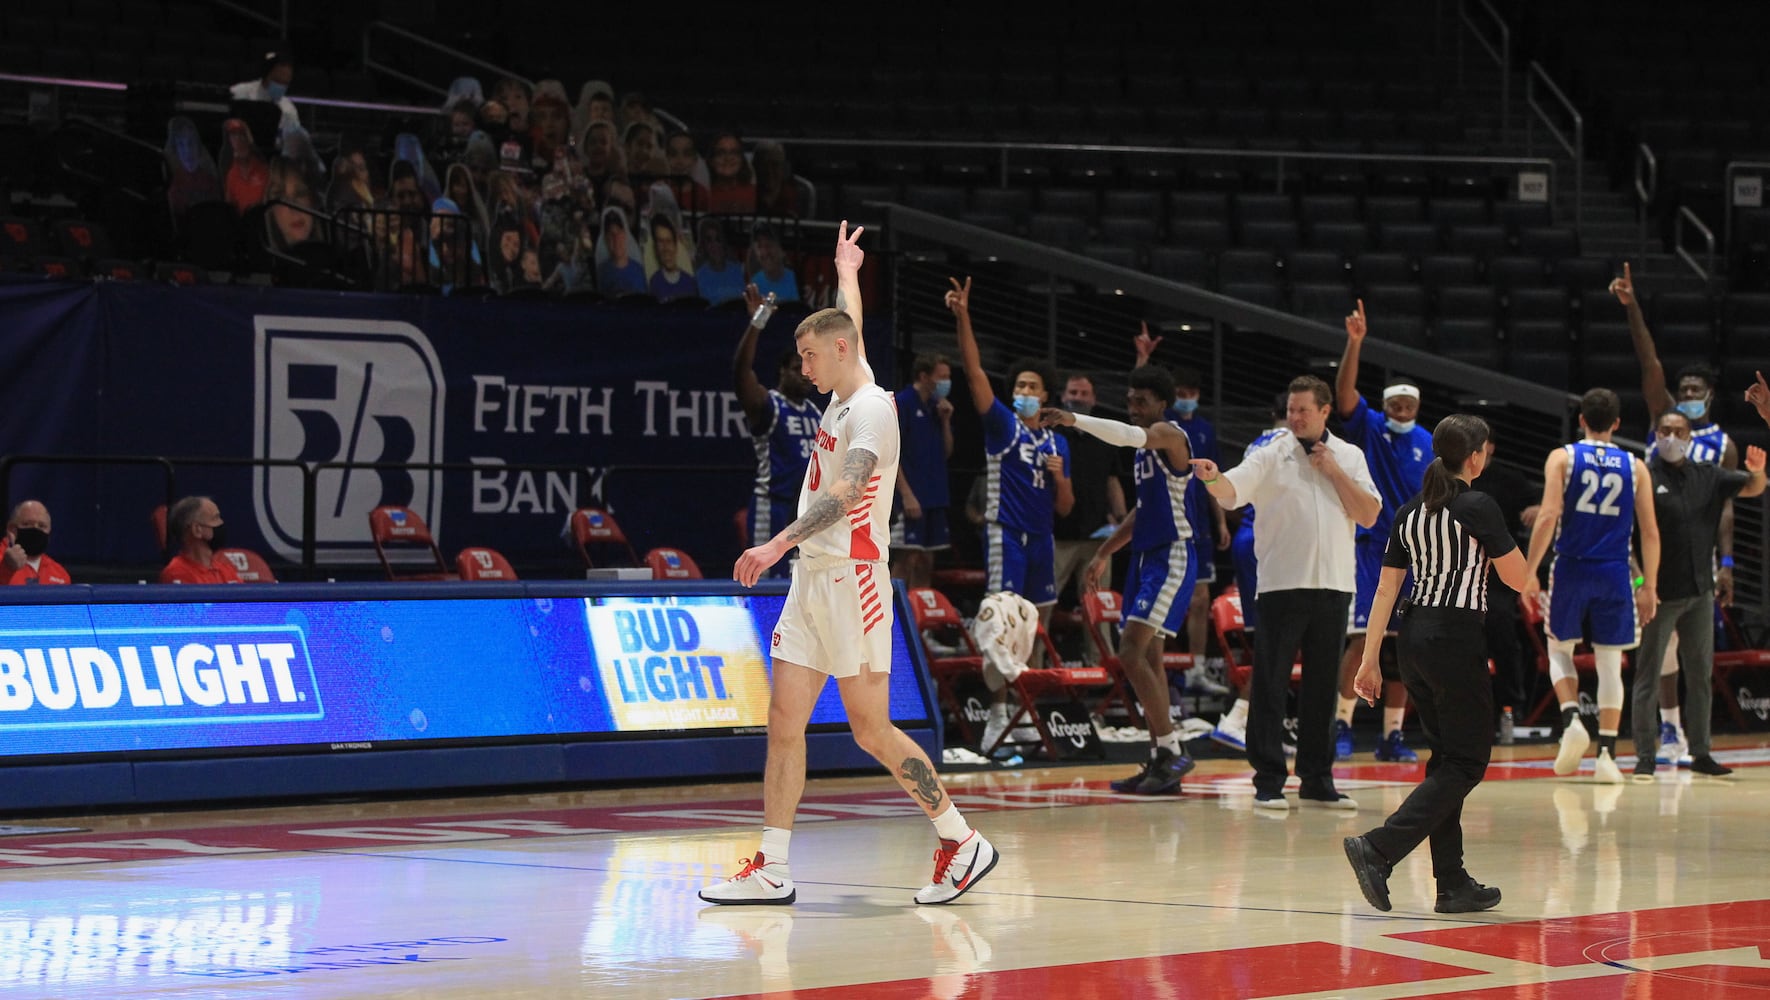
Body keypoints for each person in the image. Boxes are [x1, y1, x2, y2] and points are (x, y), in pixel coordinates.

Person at [702, 223, 998, 907]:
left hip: (853, 582)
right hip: (811, 582)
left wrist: (775, 543)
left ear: (837, 353)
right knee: (783, 720)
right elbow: (850, 327)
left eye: (809, 354)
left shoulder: (871, 413)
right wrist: (848, 271)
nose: (802, 366)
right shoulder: (842, 386)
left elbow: (846, 492)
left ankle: (961, 839)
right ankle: (772, 866)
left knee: (870, 729)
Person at [1342, 414, 1532, 914]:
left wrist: (1370, 660)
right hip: (1454, 636)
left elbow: (1385, 589)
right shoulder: (1477, 506)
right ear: (1475, 457)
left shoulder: (1410, 511)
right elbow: (1518, 581)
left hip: (1413, 640)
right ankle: (1380, 848)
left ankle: (1451, 882)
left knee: (1446, 761)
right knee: (1468, 762)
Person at [1193, 375, 1381, 811]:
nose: (1294, 418)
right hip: (1280, 584)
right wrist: (1212, 477)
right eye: (1291, 410)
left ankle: (1317, 779)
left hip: (1335, 585)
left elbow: (1369, 514)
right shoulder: (1271, 452)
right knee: (1271, 683)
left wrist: (1333, 471)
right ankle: (1269, 779)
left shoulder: (1349, 456)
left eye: (1303, 410)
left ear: (1324, 411)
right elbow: (1233, 491)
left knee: (1322, 687)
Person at [1040, 364, 1198, 794]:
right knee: (1150, 660)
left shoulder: (1168, 435)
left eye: (1141, 400)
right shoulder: (1148, 452)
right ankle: (1160, 762)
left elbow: (1128, 435)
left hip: (1173, 554)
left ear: (1162, 404)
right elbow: (1142, 511)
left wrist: (1075, 419)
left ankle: (1171, 748)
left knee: (1129, 650)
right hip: (1148, 557)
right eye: (1129, 399)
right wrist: (1106, 550)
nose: (1133, 407)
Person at [1611, 263, 1739, 766]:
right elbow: (1650, 364)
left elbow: (1728, 509)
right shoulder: (1661, 421)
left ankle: (1694, 742)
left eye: (1693, 390)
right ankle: (1663, 733)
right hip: (1651, 559)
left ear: (1707, 396)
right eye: (1681, 390)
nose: (1685, 396)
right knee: (1654, 658)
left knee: (1696, 661)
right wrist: (1632, 307)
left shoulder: (1722, 444)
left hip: (1700, 559)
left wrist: (1726, 564)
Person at [1521, 388, 1660, 785]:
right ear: (1617, 424)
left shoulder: (1563, 457)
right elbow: (1649, 532)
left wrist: (1530, 570)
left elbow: (1548, 515)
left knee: (1558, 647)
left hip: (1571, 567)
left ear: (1581, 419)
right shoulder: (1636, 466)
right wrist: (1648, 584)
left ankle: (1571, 719)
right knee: (1610, 660)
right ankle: (1607, 756)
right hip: (1615, 571)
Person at [1630, 411, 1764, 779]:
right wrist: (1642, 585)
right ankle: (1644, 755)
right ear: (1655, 435)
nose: (1671, 436)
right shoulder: (1644, 477)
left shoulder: (1709, 475)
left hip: (1700, 592)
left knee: (1700, 674)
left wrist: (1758, 471)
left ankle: (1701, 751)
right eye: (1665, 430)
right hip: (1659, 594)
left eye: (1678, 431)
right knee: (1648, 675)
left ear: (1690, 438)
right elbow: (1626, 539)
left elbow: (1752, 487)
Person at [1334, 300, 1434, 763]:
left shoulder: (1430, 441)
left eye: (1408, 404)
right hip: (1373, 546)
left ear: (1416, 407)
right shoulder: (1371, 427)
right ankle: (1341, 723)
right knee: (1362, 638)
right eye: (1394, 403)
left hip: (1417, 552)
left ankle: (1392, 736)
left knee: (1405, 647)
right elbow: (1345, 394)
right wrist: (1355, 343)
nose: (1400, 409)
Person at [949, 276, 1074, 624]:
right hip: (1006, 533)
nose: (1026, 390)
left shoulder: (1057, 441)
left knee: (1039, 618)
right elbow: (974, 372)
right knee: (1004, 615)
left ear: (1046, 395)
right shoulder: (1004, 424)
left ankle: (1031, 677)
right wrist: (963, 318)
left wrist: (1060, 479)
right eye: (1020, 385)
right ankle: (1000, 679)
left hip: (1042, 537)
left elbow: (1065, 507)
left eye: (1033, 386)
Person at [1132, 327, 1228, 697]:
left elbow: (1212, 478)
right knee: (1148, 634)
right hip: (1164, 523)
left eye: (1192, 394)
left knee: (1200, 599)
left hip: (1193, 523)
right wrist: (1141, 359)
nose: (1187, 399)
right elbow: (1137, 406)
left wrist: (1220, 521)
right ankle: (1163, 723)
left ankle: (1198, 668)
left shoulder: (1198, 430)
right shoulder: (1158, 428)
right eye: (1181, 394)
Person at [1212, 392, 1290, 750]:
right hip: (1267, 544)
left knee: (1272, 641)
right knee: (1279, 641)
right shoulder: (1290, 442)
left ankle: (1258, 726)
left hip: (1250, 539)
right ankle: (1239, 718)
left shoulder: (1257, 442)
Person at [735, 283, 822, 579]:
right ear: (783, 371)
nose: (806, 373)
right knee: (763, 580)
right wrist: (757, 321)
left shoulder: (816, 413)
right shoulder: (767, 403)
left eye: (810, 366)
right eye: (798, 366)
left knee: (801, 583)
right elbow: (740, 372)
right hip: (771, 505)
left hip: (806, 513)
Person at [1467, 429, 1539, 731]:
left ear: (1491, 447)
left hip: (1498, 574)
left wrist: (1538, 509)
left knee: (1502, 631)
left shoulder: (1509, 479)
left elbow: (1541, 502)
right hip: (1460, 571)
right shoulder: (1449, 478)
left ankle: (1510, 706)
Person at [1049, 374, 1126, 617]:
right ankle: (1034, 655)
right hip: (1058, 535)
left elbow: (1112, 480)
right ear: (1063, 397)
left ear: (1093, 399)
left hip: (1097, 536)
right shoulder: (1051, 434)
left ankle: (1099, 656)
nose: (1078, 399)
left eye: (1083, 394)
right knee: (1044, 602)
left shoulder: (1104, 435)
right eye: (1073, 393)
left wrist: (1121, 516)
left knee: (1099, 606)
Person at [891, 353, 955, 590]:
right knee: (906, 559)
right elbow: (891, 454)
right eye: (942, 377)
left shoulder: (936, 408)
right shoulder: (903, 403)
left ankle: (919, 623)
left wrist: (946, 421)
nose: (946, 382)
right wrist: (906, 494)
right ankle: (891, 618)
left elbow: (946, 452)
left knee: (926, 562)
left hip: (934, 496)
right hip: (909, 497)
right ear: (924, 376)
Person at [160, 496, 243, 584]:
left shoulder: (226, 570)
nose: (221, 523)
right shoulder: (177, 573)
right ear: (196, 530)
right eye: (215, 518)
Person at [229, 48, 300, 135]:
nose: (281, 86)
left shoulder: (289, 110)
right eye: (277, 81)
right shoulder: (239, 92)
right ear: (265, 75)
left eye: (285, 83)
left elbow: (293, 142)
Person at [164, 117, 221, 218]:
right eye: (181, 145)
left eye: (191, 143)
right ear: (176, 150)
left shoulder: (210, 181)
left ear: (198, 146)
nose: (187, 151)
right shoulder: (173, 186)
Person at [2, 501, 70, 585]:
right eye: (27, 524)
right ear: (11, 528)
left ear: (49, 531)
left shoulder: (60, 574)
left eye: (42, 526)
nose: (35, 529)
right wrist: (6, 568)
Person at [646, 215, 699, 302]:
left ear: (675, 246)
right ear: (655, 248)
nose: (665, 248)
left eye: (668, 241)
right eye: (661, 242)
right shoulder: (654, 282)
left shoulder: (689, 282)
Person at [595, 208, 647, 296]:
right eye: (611, 235)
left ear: (625, 236)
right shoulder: (601, 273)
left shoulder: (639, 272)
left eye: (619, 233)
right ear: (606, 240)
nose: (616, 239)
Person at [695, 217, 746, 306]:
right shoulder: (699, 277)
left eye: (718, 239)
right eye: (709, 240)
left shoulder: (738, 271)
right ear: (704, 245)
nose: (714, 245)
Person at [749, 225, 801, 303]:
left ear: (782, 251)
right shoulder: (754, 285)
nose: (765, 252)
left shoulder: (796, 280)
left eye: (769, 245)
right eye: (760, 246)